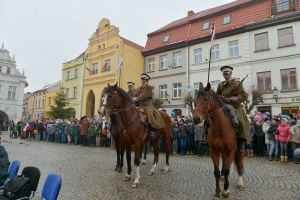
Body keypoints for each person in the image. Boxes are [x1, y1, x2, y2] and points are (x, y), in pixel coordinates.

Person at [216, 65, 250, 154]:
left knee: (242, 121)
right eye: (223, 74)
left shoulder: (237, 84)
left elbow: (243, 96)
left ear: (231, 73)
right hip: (223, 106)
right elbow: (217, 95)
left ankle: (241, 142)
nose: (225, 75)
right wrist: (218, 97)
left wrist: (230, 99)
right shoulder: (220, 85)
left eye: (226, 73)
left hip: (235, 106)